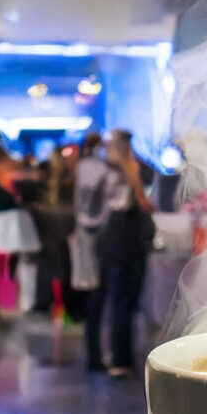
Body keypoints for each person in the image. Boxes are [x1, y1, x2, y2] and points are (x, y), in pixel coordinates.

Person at [74, 130, 154, 377]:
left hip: (114, 238)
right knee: (116, 299)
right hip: (115, 238)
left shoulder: (115, 168)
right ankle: (115, 359)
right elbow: (137, 202)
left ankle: (106, 357)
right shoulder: (110, 169)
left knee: (112, 299)